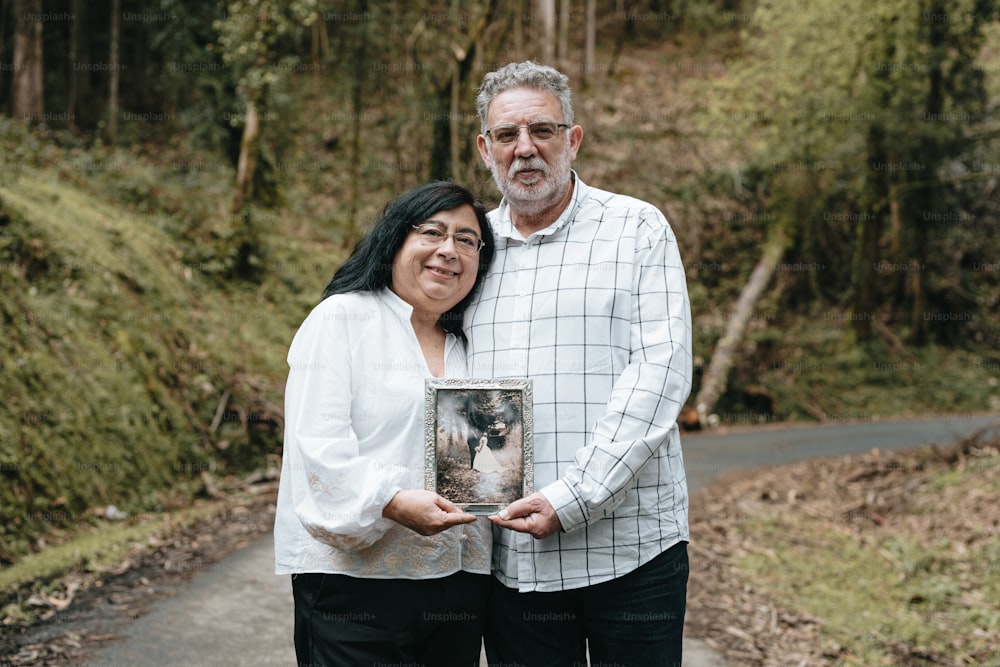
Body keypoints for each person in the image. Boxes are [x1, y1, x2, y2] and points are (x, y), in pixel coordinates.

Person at [466, 61, 694, 667]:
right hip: (515, 565)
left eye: (543, 130)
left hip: (632, 551)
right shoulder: (468, 251)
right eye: (508, 136)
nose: (525, 149)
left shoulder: (636, 228)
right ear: (485, 149)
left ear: (574, 139)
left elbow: (660, 372)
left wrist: (577, 495)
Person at [273, 181, 497, 667]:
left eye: (466, 240)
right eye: (433, 232)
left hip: (459, 584)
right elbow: (319, 447)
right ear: (395, 240)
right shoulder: (342, 320)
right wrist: (392, 502)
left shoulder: (475, 343)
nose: (448, 250)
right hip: (355, 588)